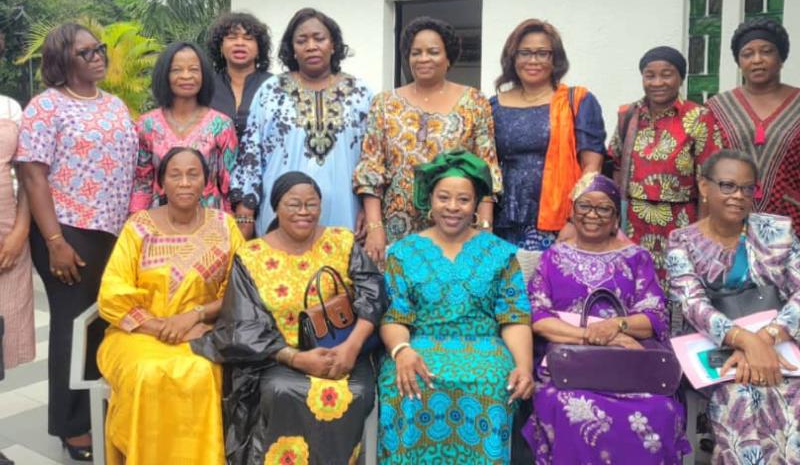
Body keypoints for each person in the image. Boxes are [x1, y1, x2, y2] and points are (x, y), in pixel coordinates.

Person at [194, 171, 387, 465]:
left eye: (311, 204)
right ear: (276, 207)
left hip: (345, 351)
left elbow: (373, 295)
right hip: (278, 357)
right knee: (281, 391)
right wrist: (297, 358)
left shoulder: (342, 242)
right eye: (293, 204)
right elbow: (243, 325)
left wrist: (351, 348)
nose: (303, 212)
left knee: (356, 391)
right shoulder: (252, 255)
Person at [15, 22, 138, 461]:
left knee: (102, 321)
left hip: (112, 228)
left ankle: (94, 406)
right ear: (63, 60)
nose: (98, 55)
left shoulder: (115, 105)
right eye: (86, 52)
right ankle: (71, 426)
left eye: (99, 48)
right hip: (66, 228)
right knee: (73, 323)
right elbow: (32, 173)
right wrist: (53, 240)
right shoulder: (46, 107)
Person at [378, 150, 533, 464]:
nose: (452, 207)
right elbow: (394, 315)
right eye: (443, 197)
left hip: (485, 348)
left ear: (476, 203)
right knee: (402, 382)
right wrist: (401, 351)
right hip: (418, 346)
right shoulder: (403, 252)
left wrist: (523, 367)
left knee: (493, 382)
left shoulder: (499, 253)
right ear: (430, 200)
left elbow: (514, 316)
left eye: (463, 200)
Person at [524, 172, 690, 463]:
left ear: (616, 217)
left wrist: (616, 325)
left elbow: (654, 316)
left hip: (629, 366)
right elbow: (538, 317)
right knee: (562, 405)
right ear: (573, 212)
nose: (593, 215)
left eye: (604, 209)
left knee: (659, 409)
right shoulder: (553, 257)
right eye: (585, 206)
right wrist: (593, 335)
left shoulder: (636, 258)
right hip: (570, 366)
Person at [97, 147, 244, 465]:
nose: (185, 182)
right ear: (161, 183)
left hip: (202, 331)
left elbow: (241, 289)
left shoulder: (225, 227)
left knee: (201, 370)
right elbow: (112, 292)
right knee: (147, 373)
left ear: (206, 182)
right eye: (175, 174)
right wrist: (159, 326)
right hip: (137, 333)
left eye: (193, 174)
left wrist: (195, 317)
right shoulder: (138, 227)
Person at [667, 149, 800, 464]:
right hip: (715, 347)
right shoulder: (681, 241)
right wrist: (744, 340)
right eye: (727, 186)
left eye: (746, 188)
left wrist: (765, 338)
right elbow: (692, 304)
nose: (738, 196)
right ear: (704, 187)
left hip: (780, 341)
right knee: (738, 395)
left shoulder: (776, 231)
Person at [355, 17, 502, 264]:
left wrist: (485, 228)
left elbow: (487, 170)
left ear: (448, 58)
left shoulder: (474, 102)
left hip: (457, 225)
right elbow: (371, 169)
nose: (423, 59)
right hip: (396, 226)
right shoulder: (384, 103)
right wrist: (374, 227)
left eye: (433, 52)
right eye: (416, 53)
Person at [232, 8, 372, 238]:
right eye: (301, 40)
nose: (311, 46)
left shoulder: (360, 94)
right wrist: (245, 212)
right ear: (292, 49)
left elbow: (373, 159)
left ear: (333, 45)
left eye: (319, 39)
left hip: (346, 214)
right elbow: (250, 156)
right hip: (279, 214)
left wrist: (371, 211)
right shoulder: (270, 91)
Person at [608, 46, 723, 280]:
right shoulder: (628, 115)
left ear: (681, 77)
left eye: (667, 74)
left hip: (681, 219)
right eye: (650, 75)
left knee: (679, 284)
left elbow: (709, 179)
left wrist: (703, 230)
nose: (657, 82)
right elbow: (615, 165)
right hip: (633, 221)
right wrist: (613, 220)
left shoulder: (699, 117)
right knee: (634, 282)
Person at [491, 18, 605, 251]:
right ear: (513, 58)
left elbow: (592, 168)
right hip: (504, 219)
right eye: (525, 53)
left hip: (559, 221)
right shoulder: (493, 105)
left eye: (543, 53)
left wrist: (576, 220)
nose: (533, 61)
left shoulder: (578, 101)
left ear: (555, 59)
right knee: (509, 286)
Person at [706, 18, 800, 234]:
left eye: (766, 51)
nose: (757, 60)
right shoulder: (717, 107)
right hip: (729, 218)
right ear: (739, 62)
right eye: (747, 54)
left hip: (791, 221)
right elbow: (707, 167)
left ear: (781, 58)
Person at [129, 41, 238, 213]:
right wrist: (135, 222)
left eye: (194, 69)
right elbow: (142, 182)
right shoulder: (147, 125)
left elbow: (230, 184)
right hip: (160, 223)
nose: (186, 76)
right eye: (176, 70)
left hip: (210, 223)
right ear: (164, 75)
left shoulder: (221, 125)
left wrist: (233, 228)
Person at [0, 35, 35, 372]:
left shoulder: (9, 107)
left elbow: (27, 176)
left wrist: (20, 231)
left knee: (3, 344)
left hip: (6, 241)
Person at [207, 12, 272, 140]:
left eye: (248, 38)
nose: (240, 43)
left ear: (259, 48)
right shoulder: (206, 86)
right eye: (232, 37)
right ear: (220, 46)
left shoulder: (274, 86)